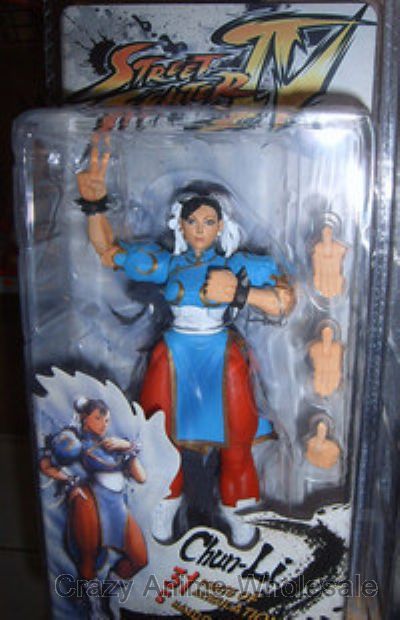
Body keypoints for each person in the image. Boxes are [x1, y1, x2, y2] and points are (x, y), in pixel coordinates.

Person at [76, 134, 329, 547]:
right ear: (180, 224)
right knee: (159, 435)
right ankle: (164, 505)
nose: (200, 229)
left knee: (237, 437)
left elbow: (288, 297)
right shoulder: (166, 263)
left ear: (220, 226)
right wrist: (94, 204)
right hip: (174, 354)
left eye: (208, 222)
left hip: (220, 355)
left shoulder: (238, 264)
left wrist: (241, 293)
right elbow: (108, 252)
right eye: (192, 221)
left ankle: (240, 511)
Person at [39, 397, 147, 615]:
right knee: (87, 557)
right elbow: (45, 464)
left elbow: (141, 477)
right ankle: (95, 607)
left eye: (106, 420)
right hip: (91, 501)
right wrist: (69, 480)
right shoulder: (75, 442)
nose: (103, 424)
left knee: (139, 558)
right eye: (98, 418)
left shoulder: (114, 444)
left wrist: (128, 447)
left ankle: (107, 595)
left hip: (116, 504)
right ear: (84, 418)